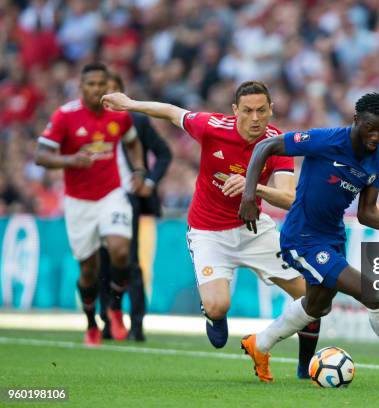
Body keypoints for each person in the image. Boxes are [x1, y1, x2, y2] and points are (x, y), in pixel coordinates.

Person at [100, 81, 321, 377]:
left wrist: (253, 188)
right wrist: (130, 103)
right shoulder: (211, 127)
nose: (255, 118)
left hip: (254, 230)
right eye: (247, 111)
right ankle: (214, 314)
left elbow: (289, 197)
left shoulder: (277, 145)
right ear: (235, 111)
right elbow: (170, 111)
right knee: (218, 306)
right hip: (209, 232)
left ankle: (304, 366)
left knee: (313, 297)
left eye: (261, 111)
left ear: (271, 110)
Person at [238, 93, 379, 385]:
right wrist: (249, 194)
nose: (376, 136)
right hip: (302, 237)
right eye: (370, 128)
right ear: (356, 120)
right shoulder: (326, 140)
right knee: (372, 292)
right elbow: (266, 146)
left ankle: (259, 345)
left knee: (317, 306)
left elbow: (367, 213)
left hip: (333, 236)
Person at [35, 62, 145, 346]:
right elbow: (41, 155)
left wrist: (140, 170)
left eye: (101, 84)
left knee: (121, 251)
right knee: (88, 270)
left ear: (108, 86)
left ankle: (115, 306)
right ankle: (90, 323)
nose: (97, 89)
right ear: (81, 87)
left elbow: (133, 142)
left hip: (112, 194)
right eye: (91, 84)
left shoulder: (118, 116)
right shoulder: (65, 116)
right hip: (78, 202)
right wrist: (69, 160)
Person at [99, 73, 173, 342]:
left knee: (129, 262)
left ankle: (137, 325)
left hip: (127, 198)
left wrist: (149, 181)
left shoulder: (137, 121)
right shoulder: (90, 123)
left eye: (113, 90)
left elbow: (165, 152)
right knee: (102, 262)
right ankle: (107, 322)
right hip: (96, 199)